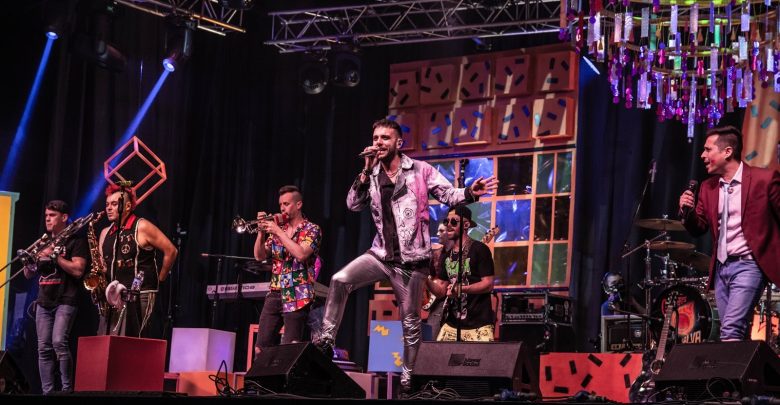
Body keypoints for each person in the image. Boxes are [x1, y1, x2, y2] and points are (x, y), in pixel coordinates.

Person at [314, 118, 498, 392]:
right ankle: (326, 339)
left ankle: (409, 378)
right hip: (380, 254)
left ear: (399, 143)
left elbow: (448, 195)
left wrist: (471, 192)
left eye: (385, 138)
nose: (379, 143)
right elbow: (353, 204)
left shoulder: (420, 170)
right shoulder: (372, 173)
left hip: (411, 262)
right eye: (376, 138)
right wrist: (365, 170)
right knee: (340, 279)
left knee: (410, 322)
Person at [678, 125, 780, 341]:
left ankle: (729, 366)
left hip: (749, 265)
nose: (702, 155)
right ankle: (746, 365)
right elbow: (699, 228)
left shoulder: (764, 179)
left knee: (731, 330)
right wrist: (687, 212)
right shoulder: (708, 187)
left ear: (727, 152)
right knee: (734, 332)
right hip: (721, 269)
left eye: (708, 149)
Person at [22, 200, 88, 394]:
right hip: (43, 300)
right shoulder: (43, 242)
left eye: (52, 215)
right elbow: (28, 274)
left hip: (66, 298)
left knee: (59, 342)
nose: (48, 219)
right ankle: (48, 393)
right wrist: (30, 261)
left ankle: (66, 391)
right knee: (43, 348)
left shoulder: (76, 241)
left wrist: (55, 256)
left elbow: (78, 270)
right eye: (46, 216)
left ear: (64, 217)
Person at [98, 184, 178, 337]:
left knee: (135, 338)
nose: (109, 208)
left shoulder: (142, 226)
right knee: (112, 340)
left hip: (141, 293)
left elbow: (171, 250)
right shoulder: (105, 232)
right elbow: (103, 266)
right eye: (107, 204)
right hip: (114, 295)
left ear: (128, 206)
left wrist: (160, 280)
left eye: (114, 204)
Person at [253, 185, 322, 358]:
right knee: (261, 348)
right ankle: (263, 377)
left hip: (298, 294)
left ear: (298, 205)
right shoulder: (279, 230)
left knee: (290, 351)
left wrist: (278, 232)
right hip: (275, 293)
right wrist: (261, 234)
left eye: (286, 204)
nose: (282, 208)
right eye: (280, 205)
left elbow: (301, 254)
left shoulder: (312, 229)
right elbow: (259, 256)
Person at [425, 206, 495, 341]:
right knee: (437, 353)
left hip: (478, 325)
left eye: (454, 222)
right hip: (452, 324)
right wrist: (424, 279)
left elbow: (488, 284)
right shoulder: (446, 256)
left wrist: (461, 289)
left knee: (483, 356)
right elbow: (441, 291)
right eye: (446, 221)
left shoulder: (480, 249)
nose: (448, 225)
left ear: (466, 225)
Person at [423, 222, 449, 339]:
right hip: (438, 303)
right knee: (431, 338)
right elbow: (430, 275)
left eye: (441, 231)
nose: (437, 234)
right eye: (438, 230)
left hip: (455, 301)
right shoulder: (437, 254)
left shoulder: (459, 254)